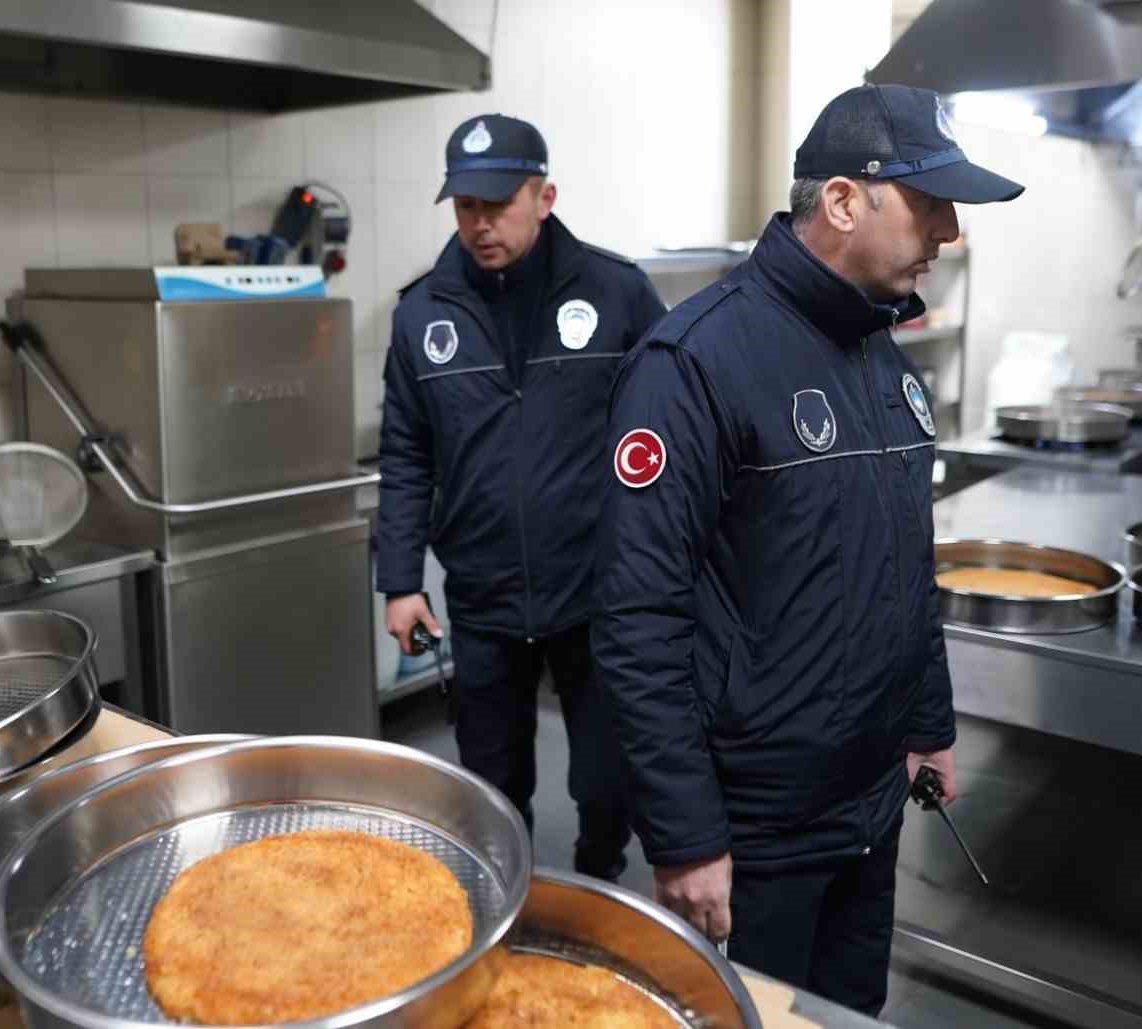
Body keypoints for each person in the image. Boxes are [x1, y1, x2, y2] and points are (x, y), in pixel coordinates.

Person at [591, 84, 1024, 1014]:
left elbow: (909, 569)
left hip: (869, 808)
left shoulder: (883, 359)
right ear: (841, 202)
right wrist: (684, 834)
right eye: (931, 204)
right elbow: (637, 619)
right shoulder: (695, 364)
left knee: (849, 1011)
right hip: (756, 832)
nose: (948, 233)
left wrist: (926, 723)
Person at [378, 113, 667, 879]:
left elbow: (673, 429)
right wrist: (401, 580)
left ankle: (600, 871)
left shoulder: (618, 292)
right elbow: (406, 450)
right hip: (484, 596)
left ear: (544, 196)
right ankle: (502, 896)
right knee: (491, 782)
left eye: (498, 204)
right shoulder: (421, 314)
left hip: (599, 589)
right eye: (465, 207)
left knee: (608, 778)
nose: (479, 225)